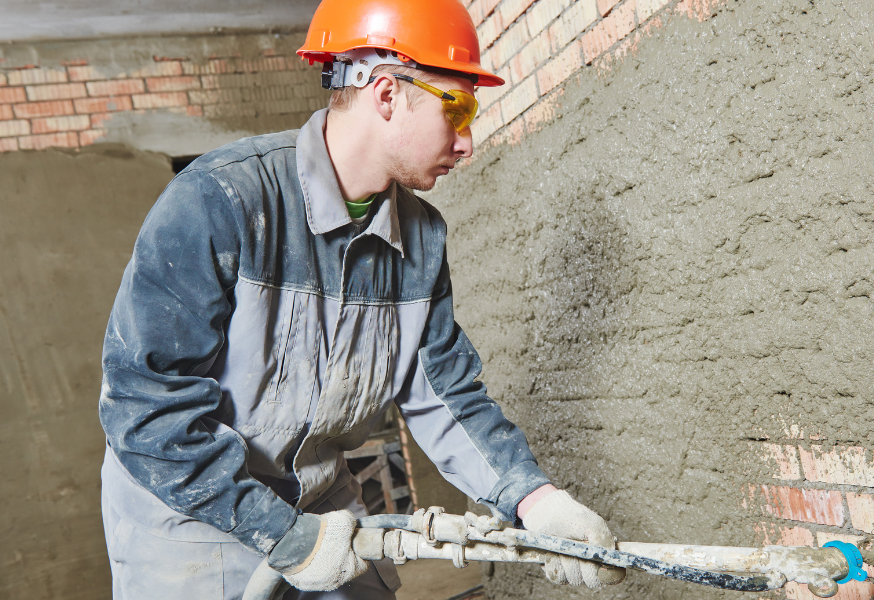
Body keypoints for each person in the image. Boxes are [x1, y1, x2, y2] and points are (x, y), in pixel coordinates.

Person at [96, 0, 625, 598]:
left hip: (319, 495)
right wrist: (283, 536)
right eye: (458, 108)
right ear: (386, 94)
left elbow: (444, 396)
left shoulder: (421, 239)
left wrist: (538, 501)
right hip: (191, 512)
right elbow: (144, 408)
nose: (468, 141)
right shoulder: (221, 202)